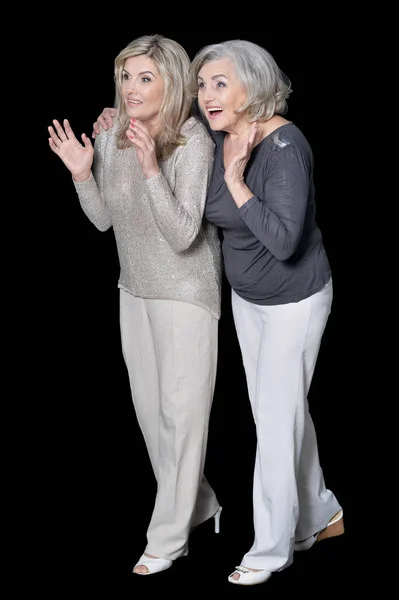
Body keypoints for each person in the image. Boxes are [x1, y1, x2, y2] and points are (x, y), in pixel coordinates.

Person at [93, 38, 344, 586]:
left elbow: (283, 241)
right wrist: (120, 116)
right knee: (281, 411)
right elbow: (167, 125)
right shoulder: (214, 132)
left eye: (220, 84)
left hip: (293, 300)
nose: (206, 95)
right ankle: (322, 511)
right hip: (247, 297)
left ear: (252, 87)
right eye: (203, 84)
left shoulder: (283, 148)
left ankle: (272, 548)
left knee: (276, 422)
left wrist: (234, 179)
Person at [48, 34, 223, 577]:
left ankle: (166, 538)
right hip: (134, 289)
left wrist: (151, 167)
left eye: (145, 77)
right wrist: (82, 171)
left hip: (187, 291)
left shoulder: (191, 139)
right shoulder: (112, 136)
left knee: (183, 416)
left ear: (169, 83)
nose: (132, 88)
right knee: (153, 417)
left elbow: (182, 233)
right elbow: (104, 219)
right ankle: (200, 505)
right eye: (126, 76)